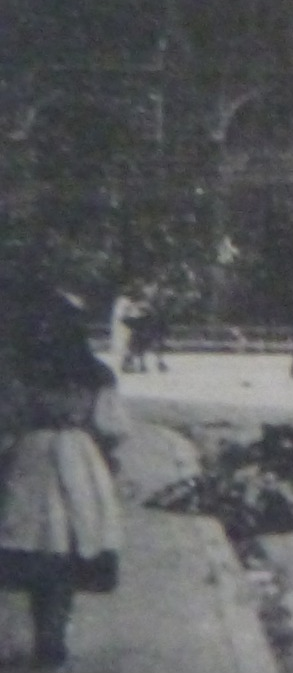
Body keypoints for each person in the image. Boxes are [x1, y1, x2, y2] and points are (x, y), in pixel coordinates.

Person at [0, 279, 127, 670]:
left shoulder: (23, 372)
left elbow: (9, 418)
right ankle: (52, 640)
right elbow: (113, 427)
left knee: (29, 544)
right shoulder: (97, 375)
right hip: (80, 460)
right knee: (68, 550)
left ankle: (22, 637)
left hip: (31, 459)